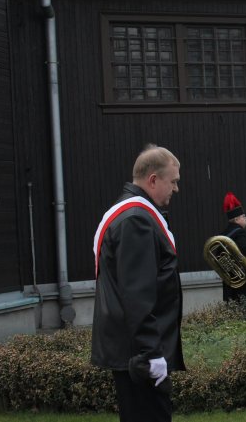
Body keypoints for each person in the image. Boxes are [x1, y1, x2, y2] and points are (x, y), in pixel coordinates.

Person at [91, 144, 185, 422]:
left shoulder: (131, 214)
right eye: (174, 181)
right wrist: (151, 353)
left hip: (135, 351)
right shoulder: (136, 221)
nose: (176, 189)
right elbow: (138, 294)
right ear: (153, 179)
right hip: (140, 356)